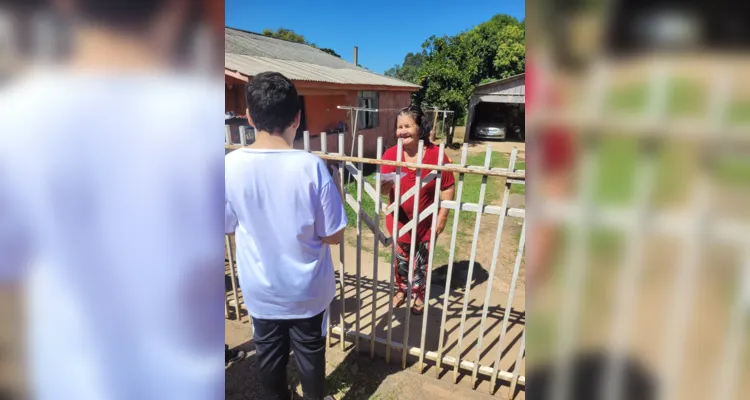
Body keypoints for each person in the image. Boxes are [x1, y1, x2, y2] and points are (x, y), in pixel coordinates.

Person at [224, 72, 346, 400]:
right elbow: (333, 235)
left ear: (249, 116)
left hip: (261, 289)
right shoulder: (311, 166)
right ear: (297, 116)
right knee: (310, 356)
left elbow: (225, 224)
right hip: (307, 290)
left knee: (269, 358)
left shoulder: (229, 166)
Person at [381, 105, 456, 315]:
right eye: (399, 127)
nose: (402, 131)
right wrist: (384, 187)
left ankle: (419, 293)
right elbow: (382, 189)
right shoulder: (390, 153)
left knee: (421, 262)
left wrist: (442, 217)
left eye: (407, 126)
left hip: (426, 223)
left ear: (419, 127)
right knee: (401, 259)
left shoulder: (436, 155)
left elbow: (448, 186)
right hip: (399, 221)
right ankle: (402, 289)